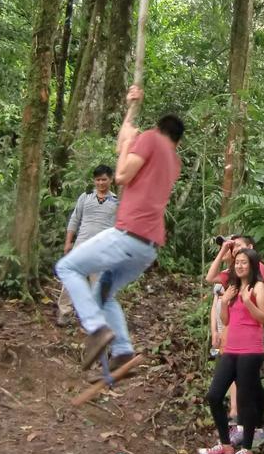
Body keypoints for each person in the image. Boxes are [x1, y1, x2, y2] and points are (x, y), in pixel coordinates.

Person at [55, 86, 183, 370]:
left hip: (128, 235)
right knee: (103, 292)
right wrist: (131, 109)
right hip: (148, 249)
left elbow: (122, 172)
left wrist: (129, 132)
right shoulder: (174, 161)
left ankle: (95, 327)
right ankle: (123, 350)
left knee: (68, 268)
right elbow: (125, 144)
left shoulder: (151, 139)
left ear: (158, 129)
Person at [198, 247, 264, 454]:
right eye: (237, 262)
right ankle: (226, 444)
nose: (239, 266)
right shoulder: (233, 286)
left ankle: (247, 450)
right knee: (214, 395)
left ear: (252, 265)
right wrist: (224, 302)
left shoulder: (259, 288)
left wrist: (248, 302)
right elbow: (226, 320)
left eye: (244, 262)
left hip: (250, 351)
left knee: (245, 400)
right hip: (231, 349)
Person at [55, 164, 119, 326]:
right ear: (94, 180)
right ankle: (65, 313)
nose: (100, 183)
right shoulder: (86, 196)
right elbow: (75, 219)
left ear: (110, 180)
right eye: (97, 180)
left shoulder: (116, 201)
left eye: (104, 179)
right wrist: (68, 242)